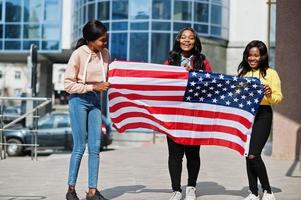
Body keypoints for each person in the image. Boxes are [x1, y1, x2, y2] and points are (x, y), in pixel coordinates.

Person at [164, 27, 212, 200]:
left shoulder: (202, 61)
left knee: (193, 154)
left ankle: (191, 186)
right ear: (178, 40)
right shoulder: (170, 60)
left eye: (190, 38)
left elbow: (210, 85)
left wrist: (194, 75)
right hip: (174, 115)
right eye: (183, 37)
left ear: (195, 41)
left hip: (194, 114)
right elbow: (162, 84)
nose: (186, 40)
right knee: (175, 155)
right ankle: (176, 190)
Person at [64, 20, 111, 200]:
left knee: (95, 147)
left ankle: (92, 191)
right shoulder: (78, 54)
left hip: (95, 102)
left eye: (105, 39)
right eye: (101, 40)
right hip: (78, 101)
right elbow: (68, 85)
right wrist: (93, 86)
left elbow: (109, 76)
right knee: (79, 146)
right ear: (90, 40)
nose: (104, 43)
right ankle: (71, 190)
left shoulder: (105, 54)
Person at [237, 40, 283, 200]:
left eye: (256, 55)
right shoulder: (243, 74)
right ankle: (253, 192)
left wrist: (269, 94)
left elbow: (278, 98)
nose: (252, 58)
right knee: (247, 153)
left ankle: (268, 191)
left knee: (254, 154)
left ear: (262, 56)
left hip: (263, 114)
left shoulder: (271, 73)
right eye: (250, 55)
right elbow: (237, 96)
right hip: (246, 115)